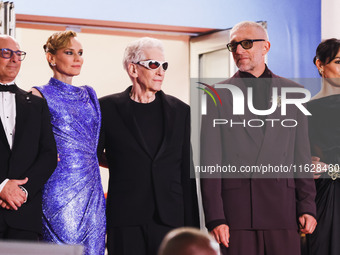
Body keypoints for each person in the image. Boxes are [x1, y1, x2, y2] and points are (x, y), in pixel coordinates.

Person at [200, 21, 317, 255]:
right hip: (237, 214)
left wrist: (307, 206)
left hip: (284, 211)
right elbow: (209, 162)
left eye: (246, 43)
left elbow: (301, 155)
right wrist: (215, 218)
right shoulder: (216, 96)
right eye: (233, 45)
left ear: (266, 47)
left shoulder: (293, 92)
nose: (239, 51)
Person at [98, 37, 199, 255]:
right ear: (133, 69)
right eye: (154, 65)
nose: (161, 71)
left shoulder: (181, 111)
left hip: (171, 219)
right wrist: (122, 163)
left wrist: (193, 230)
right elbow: (92, 156)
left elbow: (185, 172)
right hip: (126, 218)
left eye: (164, 65)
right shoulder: (106, 108)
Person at [30, 31, 106, 255]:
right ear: (51, 58)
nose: (78, 58)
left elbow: (96, 144)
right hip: (58, 190)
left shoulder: (90, 94)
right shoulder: (38, 94)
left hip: (92, 190)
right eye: (69, 52)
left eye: (80, 53)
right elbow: (31, 144)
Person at [0, 35, 57, 240]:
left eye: (18, 54)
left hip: (25, 216)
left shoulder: (37, 104)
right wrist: (1, 186)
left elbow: (49, 155)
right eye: (6, 53)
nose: (14, 59)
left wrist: (23, 191)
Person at [305, 38, 340, 255]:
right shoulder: (304, 111)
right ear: (320, 65)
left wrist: (331, 169)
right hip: (325, 199)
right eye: (338, 62)